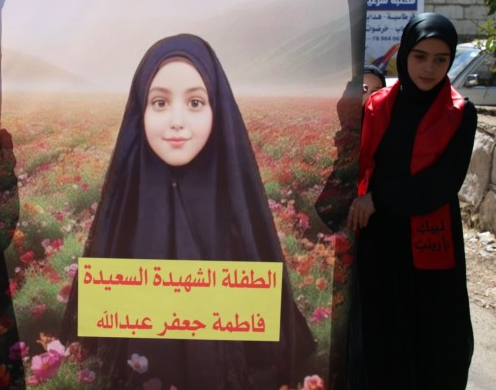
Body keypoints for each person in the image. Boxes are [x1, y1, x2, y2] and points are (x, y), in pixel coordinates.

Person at [62, 33, 316, 389]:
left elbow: (261, 315)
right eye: (160, 103)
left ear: (217, 109)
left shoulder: (236, 201)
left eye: (195, 102)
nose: (176, 121)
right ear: (140, 109)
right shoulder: (126, 200)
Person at [346, 13, 477, 389]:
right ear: (404, 54)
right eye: (420, 56)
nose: (429, 68)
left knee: (435, 340)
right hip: (381, 240)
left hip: (431, 239)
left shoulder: (460, 112)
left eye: (441, 59)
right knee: (381, 337)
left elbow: (443, 181)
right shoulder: (377, 106)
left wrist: (379, 199)